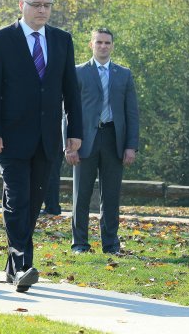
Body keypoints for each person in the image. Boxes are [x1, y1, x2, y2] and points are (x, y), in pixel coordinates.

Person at [0, 0, 82, 292]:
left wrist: (74, 131)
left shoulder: (62, 40)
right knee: (18, 199)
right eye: (36, 5)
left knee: (33, 202)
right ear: (22, 5)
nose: (42, 11)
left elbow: (71, 91)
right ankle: (23, 265)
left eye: (47, 5)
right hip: (9, 137)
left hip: (47, 139)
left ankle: (13, 267)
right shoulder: (0, 39)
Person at [66, 28, 139, 255]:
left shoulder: (123, 74)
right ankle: (80, 244)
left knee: (111, 196)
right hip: (84, 140)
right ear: (91, 45)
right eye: (99, 42)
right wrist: (69, 145)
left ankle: (110, 244)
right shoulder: (77, 73)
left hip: (113, 139)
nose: (103, 46)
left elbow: (131, 113)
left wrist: (131, 145)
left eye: (107, 42)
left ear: (112, 45)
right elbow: (67, 111)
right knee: (82, 195)